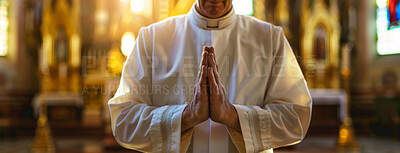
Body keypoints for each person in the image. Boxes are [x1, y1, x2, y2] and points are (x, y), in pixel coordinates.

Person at [108, 0, 312, 152]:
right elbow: (123, 121)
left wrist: (232, 115)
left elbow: (296, 117)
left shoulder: (269, 38)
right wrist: (186, 116)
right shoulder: (152, 38)